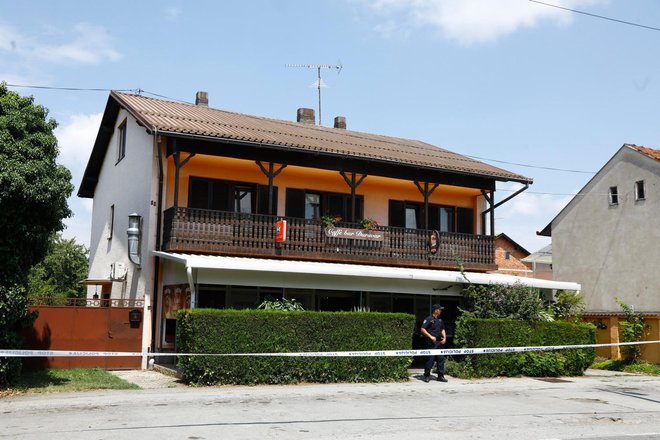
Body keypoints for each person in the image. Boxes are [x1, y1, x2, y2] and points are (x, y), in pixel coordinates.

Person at [420, 303, 447, 382]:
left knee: (441, 359)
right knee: (430, 359)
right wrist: (430, 336)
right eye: (440, 310)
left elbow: (443, 329)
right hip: (431, 343)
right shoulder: (429, 319)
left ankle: (440, 376)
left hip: (439, 343)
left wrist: (444, 338)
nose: (441, 311)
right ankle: (427, 376)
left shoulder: (440, 320)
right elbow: (422, 329)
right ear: (436, 310)